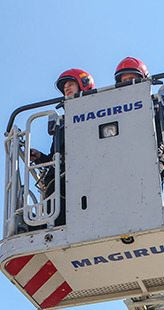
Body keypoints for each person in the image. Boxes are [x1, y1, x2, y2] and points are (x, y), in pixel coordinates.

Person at [28, 69, 96, 228]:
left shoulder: (96, 114)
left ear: (84, 85)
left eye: (71, 84)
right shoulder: (62, 122)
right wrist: (40, 156)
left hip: (81, 179)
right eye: (64, 86)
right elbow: (56, 156)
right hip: (58, 180)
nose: (66, 88)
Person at [113, 58, 164, 179]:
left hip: (152, 160)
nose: (128, 83)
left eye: (132, 79)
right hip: (123, 164)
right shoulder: (114, 111)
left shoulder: (155, 102)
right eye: (124, 80)